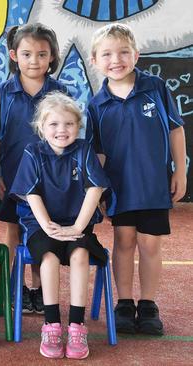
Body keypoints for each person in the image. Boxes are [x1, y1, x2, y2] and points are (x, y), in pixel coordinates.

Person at [88, 23, 187, 336]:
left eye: (123, 52)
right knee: (124, 242)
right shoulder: (96, 104)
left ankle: (148, 304)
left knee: (150, 245)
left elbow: (175, 129)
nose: (115, 59)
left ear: (136, 54)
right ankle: (125, 304)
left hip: (153, 185)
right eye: (107, 54)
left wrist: (181, 171)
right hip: (120, 187)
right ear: (95, 61)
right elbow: (98, 153)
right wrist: (99, 192)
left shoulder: (155, 87)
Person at [10, 92, 109, 359]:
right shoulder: (33, 151)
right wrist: (49, 226)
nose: (61, 130)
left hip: (78, 223)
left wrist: (78, 227)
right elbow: (31, 194)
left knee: (79, 255)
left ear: (78, 127)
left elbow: (95, 189)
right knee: (50, 259)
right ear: (42, 127)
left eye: (68, 124)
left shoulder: (84, 149)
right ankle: (51, 324)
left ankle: (77, 325)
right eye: (54, 124)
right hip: (42, 224)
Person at [0, 23, 67, 314]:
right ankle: (15, 287)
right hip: (13, 176)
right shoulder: (2, 93)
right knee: (15, 232)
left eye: (42, 54)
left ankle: (40, 288)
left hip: (49, 181)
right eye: (27, 54)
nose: (35, 61)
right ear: (14, 55)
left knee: (42, 231)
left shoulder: (59, 92)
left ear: (52, 57)